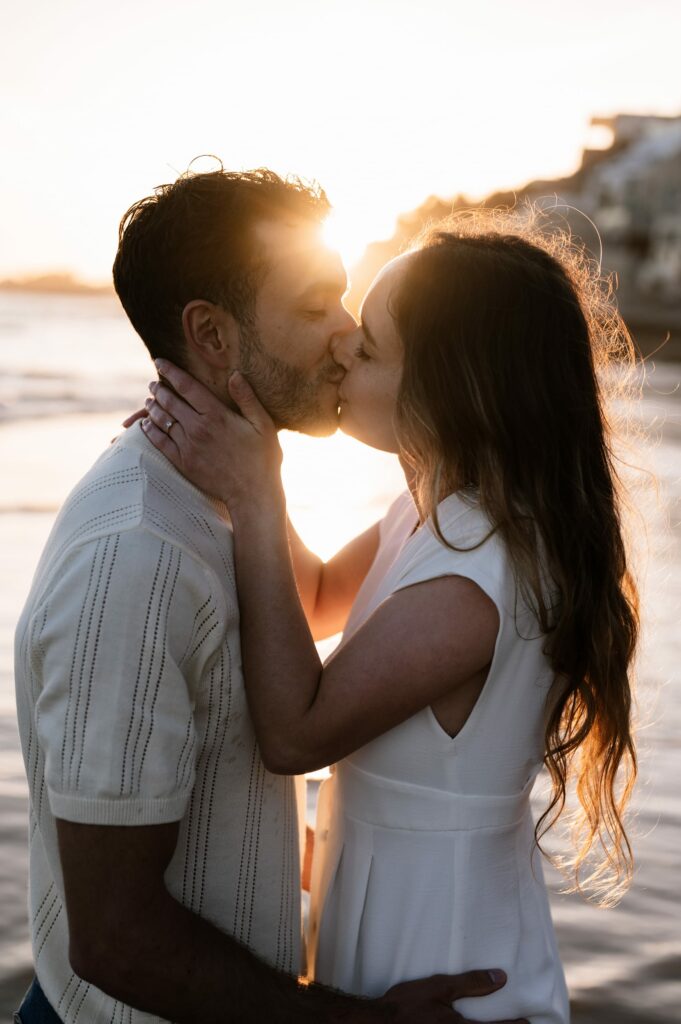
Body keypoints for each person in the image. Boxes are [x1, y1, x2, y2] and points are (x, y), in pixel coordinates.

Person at [13, 168, 525, 1024]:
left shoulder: (226, 490)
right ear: (212, 335)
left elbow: (313, 601)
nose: (343, 332)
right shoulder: (136, 554)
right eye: (315, 305)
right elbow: (113, 941)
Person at [141, 210, 640, 1024]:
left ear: (452, 389)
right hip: (392, 927)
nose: (341, 349)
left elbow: (295, 733)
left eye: (367, 347)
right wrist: (244, 445)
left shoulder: (481, 573)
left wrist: (256, 494)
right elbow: (307, 599)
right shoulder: (431, 512)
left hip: (449, 962)